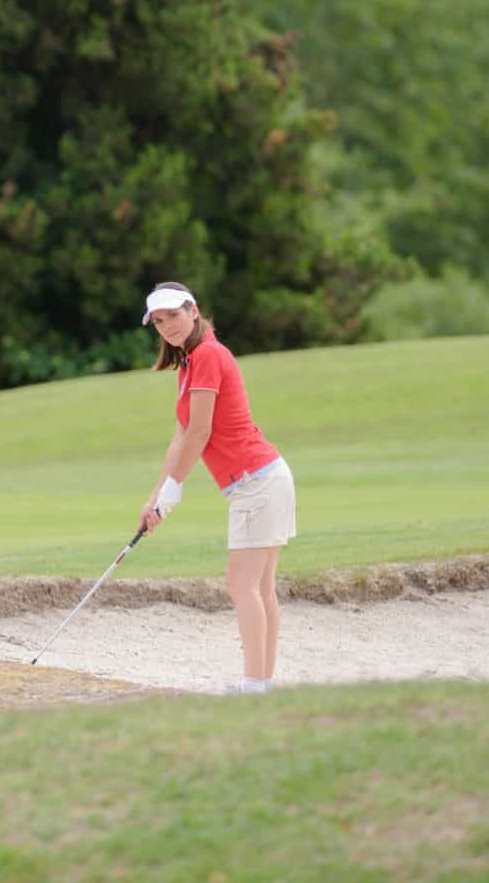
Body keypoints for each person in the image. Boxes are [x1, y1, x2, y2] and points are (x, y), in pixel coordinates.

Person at [136, 282, 296, 694]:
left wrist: (176, 488)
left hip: (256, 481)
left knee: (243, 586)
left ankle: (255, 685)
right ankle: (261, 684)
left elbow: (202, 432)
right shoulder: (189, 363)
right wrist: (157, 494)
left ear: (193, 310)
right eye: (158, 321)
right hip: (260, 480)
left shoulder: (208, 354)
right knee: (258, 587)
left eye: (172, 315)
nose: (166, 326)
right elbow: (182, 435)